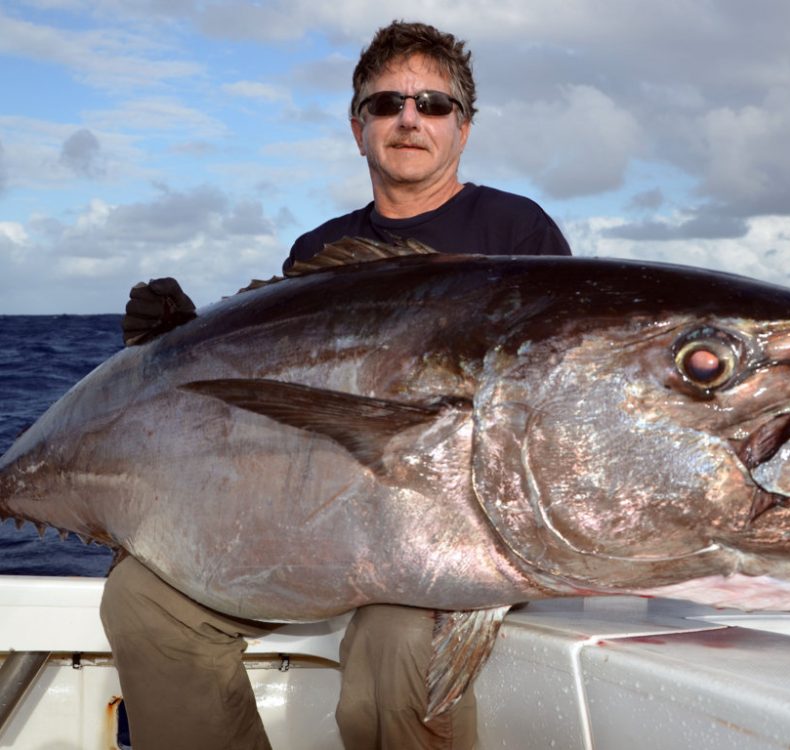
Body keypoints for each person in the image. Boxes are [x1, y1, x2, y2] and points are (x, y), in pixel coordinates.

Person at [101, 19, 571, 750]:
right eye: (386, 104)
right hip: (320, 533)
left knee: (393, 640)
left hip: (455, 538)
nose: (408, 118)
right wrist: (173, 343)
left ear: (464, 129)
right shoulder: (317, 251)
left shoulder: (519, 232)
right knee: (143, 600)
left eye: (433, 104)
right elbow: (266, 410)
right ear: (358, 129)